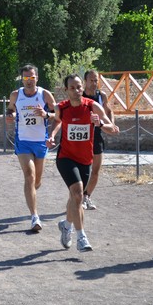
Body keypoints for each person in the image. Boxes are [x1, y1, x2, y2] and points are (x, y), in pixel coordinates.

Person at [49, 74, 118, 252]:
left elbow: (113, 129)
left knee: (74, 198)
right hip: (65, 157)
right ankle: (81, 237)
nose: (76, 90)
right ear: (66, 90)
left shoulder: (92, 106)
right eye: (72, 87)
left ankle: (66, 225)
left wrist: (100, 124)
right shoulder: (61, 108)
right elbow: (55, 120)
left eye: (79, 86)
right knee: (78, 193)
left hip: (85, 159)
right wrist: (51, 136)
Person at [6, 64, 56, 231]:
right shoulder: (16, 95)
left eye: (32, 77)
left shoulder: (44, 94)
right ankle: (35, 217)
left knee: (37, 181)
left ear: (37, 78)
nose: (29, 81)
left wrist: (46, 115)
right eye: (26, 78)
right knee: (29, 176)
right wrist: (10, 115)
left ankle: (31, 194)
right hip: (23, 141)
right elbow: (10, 109)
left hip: (40, 142)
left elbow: (59, 115)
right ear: (22, 79)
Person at [81, 69, 114, 210]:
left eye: (96, 80)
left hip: (97, 136)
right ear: (85, 81)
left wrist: (111, 124)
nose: (94, 83)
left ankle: (86, 196)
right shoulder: (79, 96)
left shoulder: (101, 96)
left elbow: (109, 111)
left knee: (96, 171)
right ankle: (78, 197)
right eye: (91, 80)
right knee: (83, 171)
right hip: (81, 139)